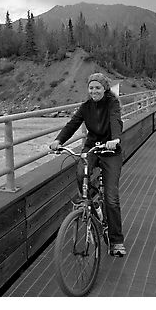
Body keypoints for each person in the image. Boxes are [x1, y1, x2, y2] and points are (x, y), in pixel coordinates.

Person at [49, 72, 126, 257]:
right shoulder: (86, 107)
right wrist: (59, 140)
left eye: (97, 87)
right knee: (80, 172)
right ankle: (91, 202)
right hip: (92, 146)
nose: (94, 91)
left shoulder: (112, 103)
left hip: (110, 150)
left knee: (112, 197)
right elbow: (72, 124)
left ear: (104, 88)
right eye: (91, 88)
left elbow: (115, 121)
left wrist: (115, 139)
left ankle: (116, 241)